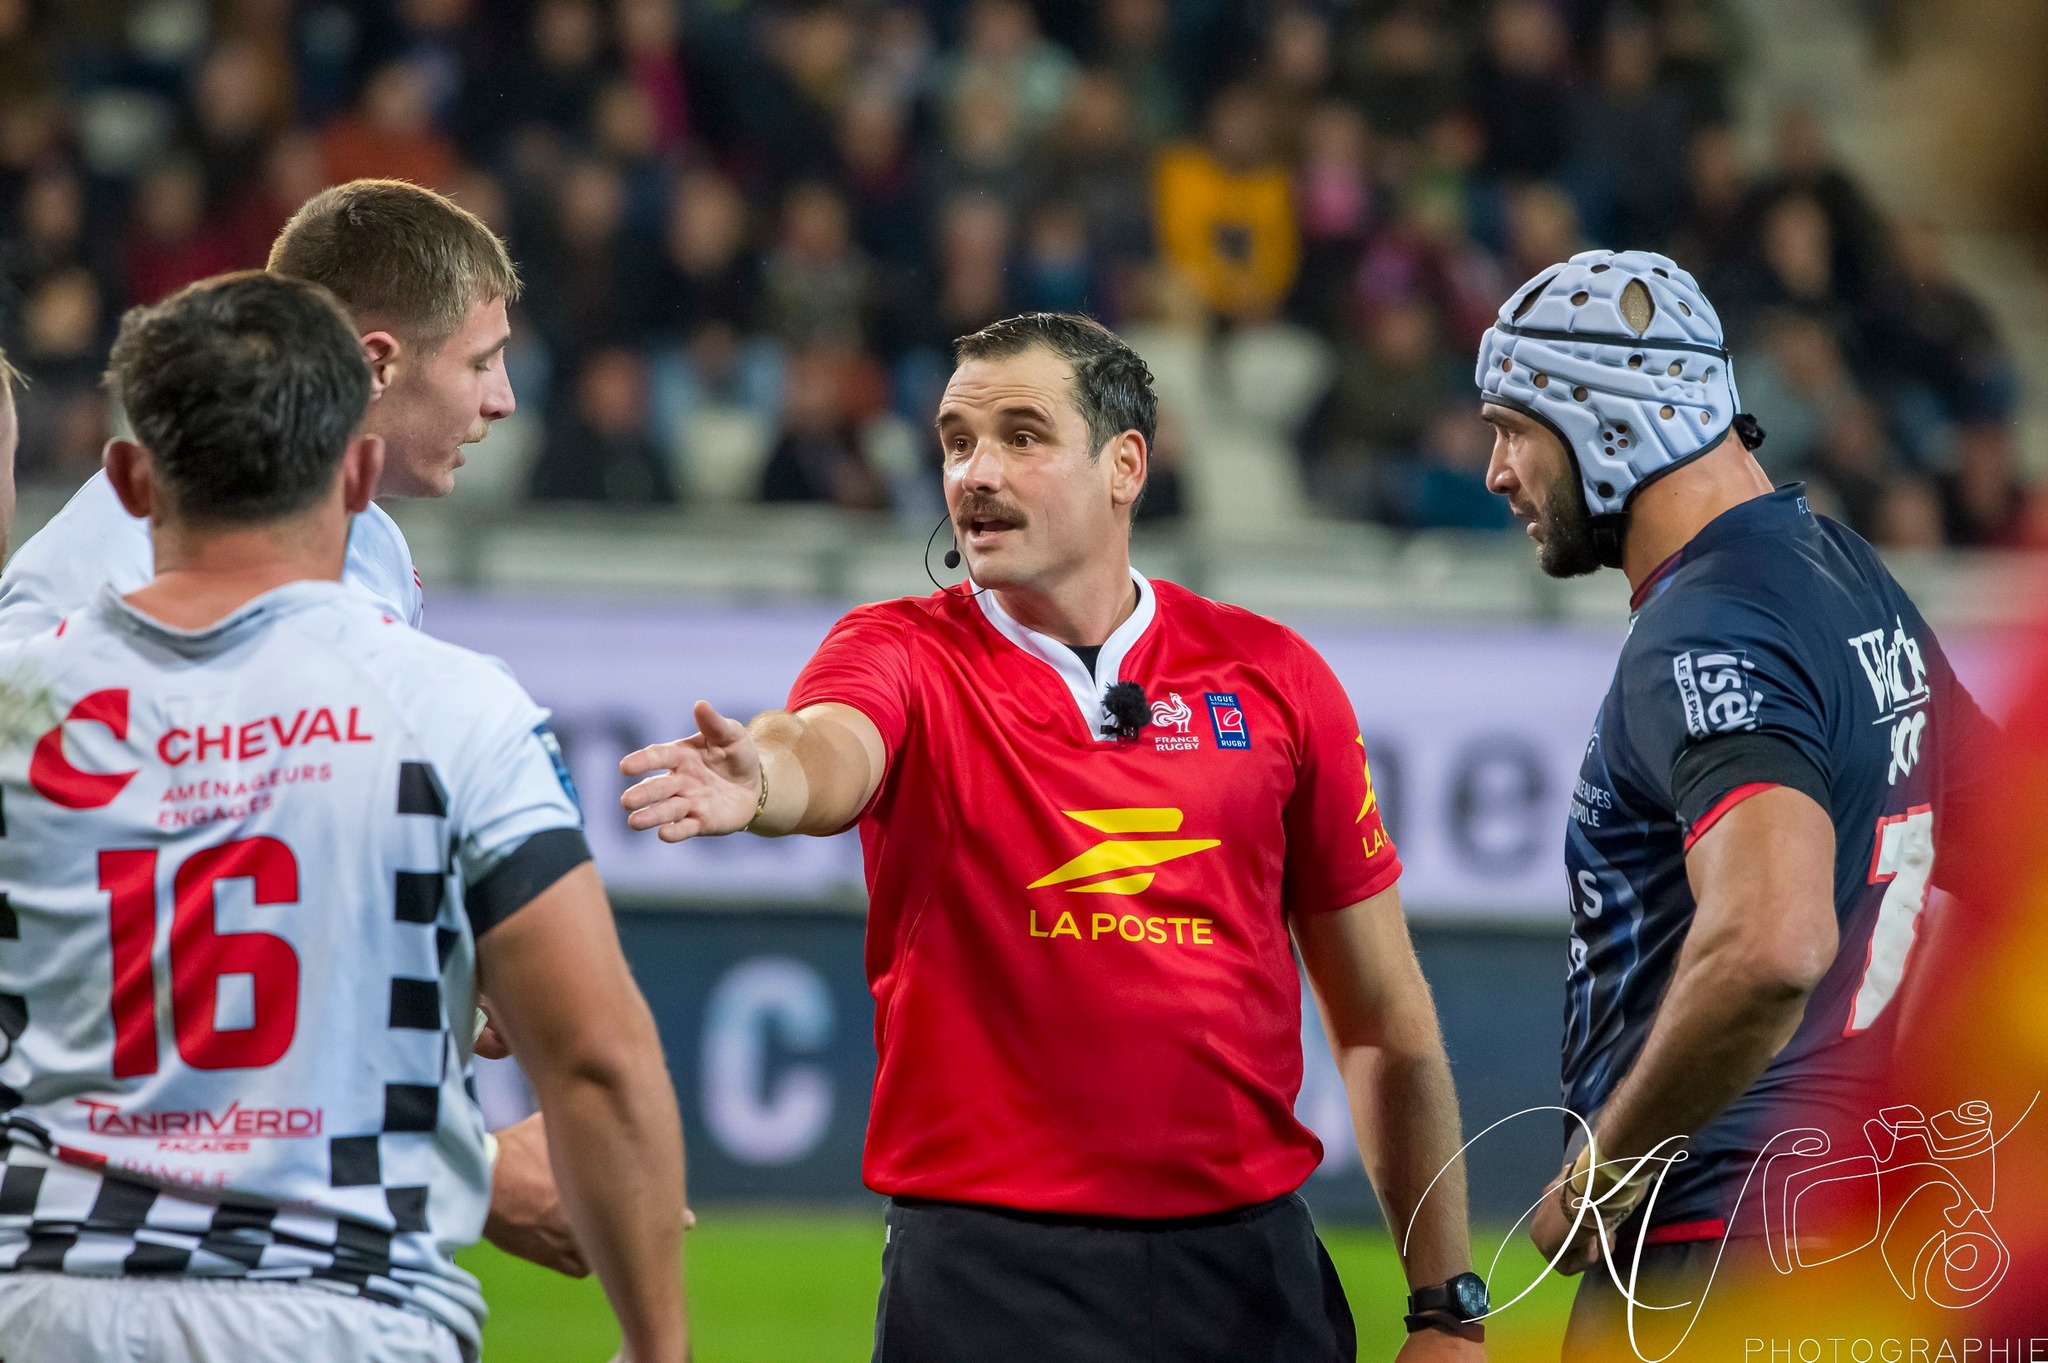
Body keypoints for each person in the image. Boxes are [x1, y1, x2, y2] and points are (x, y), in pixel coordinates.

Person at [620, 312, 1489, 1361]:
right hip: (988, 1282)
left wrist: (1444, 1305)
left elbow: (1384, 1015)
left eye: (1020, 436)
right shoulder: (897, 651)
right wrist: (765, 777)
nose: (973, 472)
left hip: (1251, 1276)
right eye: (953, 441)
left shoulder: (1273, 674)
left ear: (1123, 464)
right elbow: (825, 750)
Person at [0, 273, 687, 1362]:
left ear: (130, 479)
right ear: (360, 469)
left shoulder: (16, 707)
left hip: (54, 1302)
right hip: (351, 1304)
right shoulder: (457, 709)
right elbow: (598, 1054)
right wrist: (658, 1344)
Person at [1474, 251, 1996, 1353]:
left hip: (1714, 1250)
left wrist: (1600, 1173)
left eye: (1511, 428)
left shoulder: (1705, 628)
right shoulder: (1842, 566)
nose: (1496, 472)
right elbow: (2007, 850)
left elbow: (1768, 940)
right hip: (1855, 1244)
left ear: (1602, 423)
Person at [0, 178, 519, 638]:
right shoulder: (108, 561)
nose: (504, 401)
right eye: (481, 363)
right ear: (376, 366)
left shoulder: (381, 549)